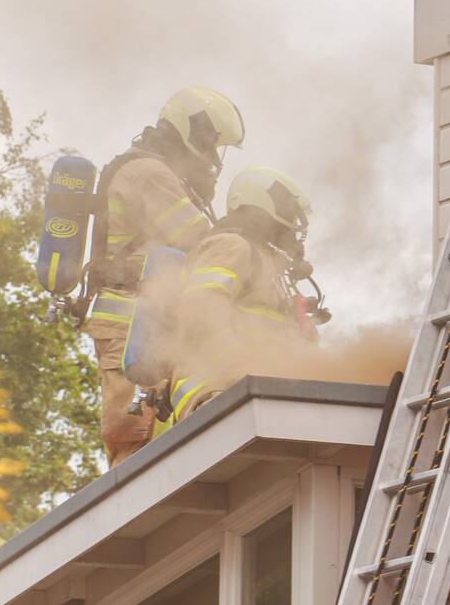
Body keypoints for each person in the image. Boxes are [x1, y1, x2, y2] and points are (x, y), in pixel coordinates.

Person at [85, 86, 243, 466]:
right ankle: (126, 516)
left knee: (166, 420)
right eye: (209, 142)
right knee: (133, 436)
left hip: (144, 319)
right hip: (128, 323)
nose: (211, 156)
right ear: (188, 129)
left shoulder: (155, 170)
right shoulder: (149, 173)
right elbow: (196, 241)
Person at [151, 167, 316, 436]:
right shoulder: (231, 245)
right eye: (287, 214)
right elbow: (200, 310)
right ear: (261, 206)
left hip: (250, 395)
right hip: (214, 389)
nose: (293, 228)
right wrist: (241, 369)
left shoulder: (271, 272)